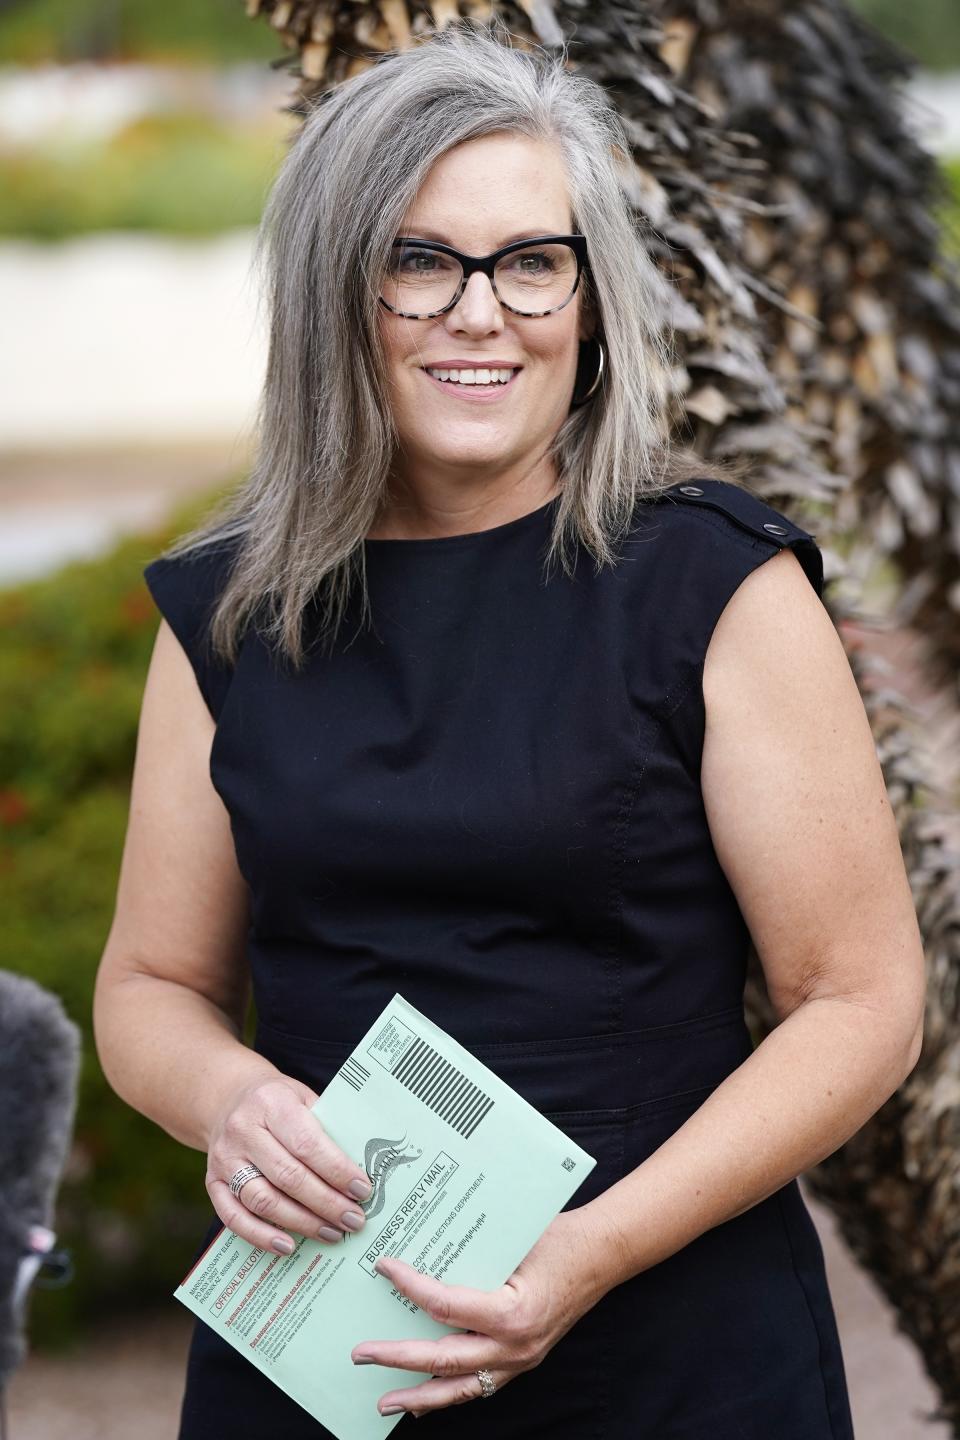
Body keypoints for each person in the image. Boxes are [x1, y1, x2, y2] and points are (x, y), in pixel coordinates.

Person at [92, 20, 925, 1440]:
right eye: (420, 261)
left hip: (670, 1354)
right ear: (332, 297)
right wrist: (227, 1099)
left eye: (533, 261)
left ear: (593, 303)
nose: (482, 312)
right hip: (318, 1352)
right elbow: (151, 987)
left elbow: (859, 1002)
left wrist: (589, 1251)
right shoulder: (229, 608)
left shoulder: (712, 587)